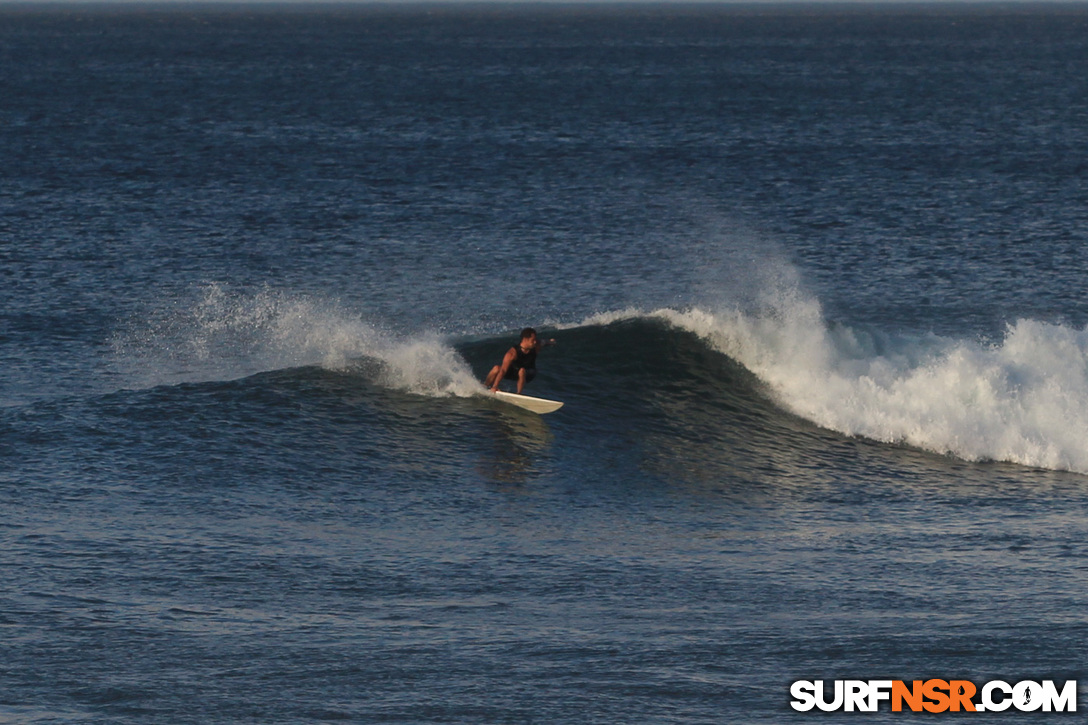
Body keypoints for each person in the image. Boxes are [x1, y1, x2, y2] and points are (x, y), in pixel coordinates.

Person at [485, 327, 556, 395]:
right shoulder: (512, 353)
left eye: (535, 339)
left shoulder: (536, 345)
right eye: (533, 340)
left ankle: (519, 394)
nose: (535, 342)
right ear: (525, 339)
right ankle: (485, 387)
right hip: (515, 372)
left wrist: (551, 342)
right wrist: (495, 386)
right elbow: (503, 370)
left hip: (529, 372)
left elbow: (544, 342)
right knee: (496, 368)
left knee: (522, 370)